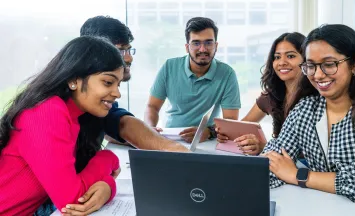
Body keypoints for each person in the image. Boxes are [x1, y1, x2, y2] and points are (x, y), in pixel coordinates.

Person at [261, 24, 355, 215]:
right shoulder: (306, 108)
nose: (318, 75)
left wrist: (297, 175)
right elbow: (273, 160)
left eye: (329, 64)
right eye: (311, 65)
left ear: (354, 64)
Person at [0, 36, 124, 215]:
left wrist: (107, 187)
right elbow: (71, 200)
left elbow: (74, 187)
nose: (117, 93)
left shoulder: (74, 116)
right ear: (74, 80)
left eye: (118, 84)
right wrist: (109, 159)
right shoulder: (46, 113)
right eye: (108, 82)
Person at [79, 16, 187, 152]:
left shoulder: (99, 99)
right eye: (120, 51)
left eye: (128, 50)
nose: (129, 58)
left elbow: (118, 122)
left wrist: (147, 137)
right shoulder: (58, 108)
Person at [144, 17, 241, 143]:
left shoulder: (227, 74)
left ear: (216, 46)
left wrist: (207, 132)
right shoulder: (169, 67)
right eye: (196, 43)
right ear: (187, 47)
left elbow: (230, 121)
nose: (202, 49)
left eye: (208, 43)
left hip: (208, 139)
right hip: (171, 137)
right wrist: (150, 128)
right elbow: (152, 106)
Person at [216, 32, 305, 155]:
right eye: (277, 57)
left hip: (305, 166)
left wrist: (264, 147)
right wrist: (226, 134)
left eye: (290, 56)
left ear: (306, 59)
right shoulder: (271, 95)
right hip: (278, 162)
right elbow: (242, 126)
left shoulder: (315, 98)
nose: (282, 62)